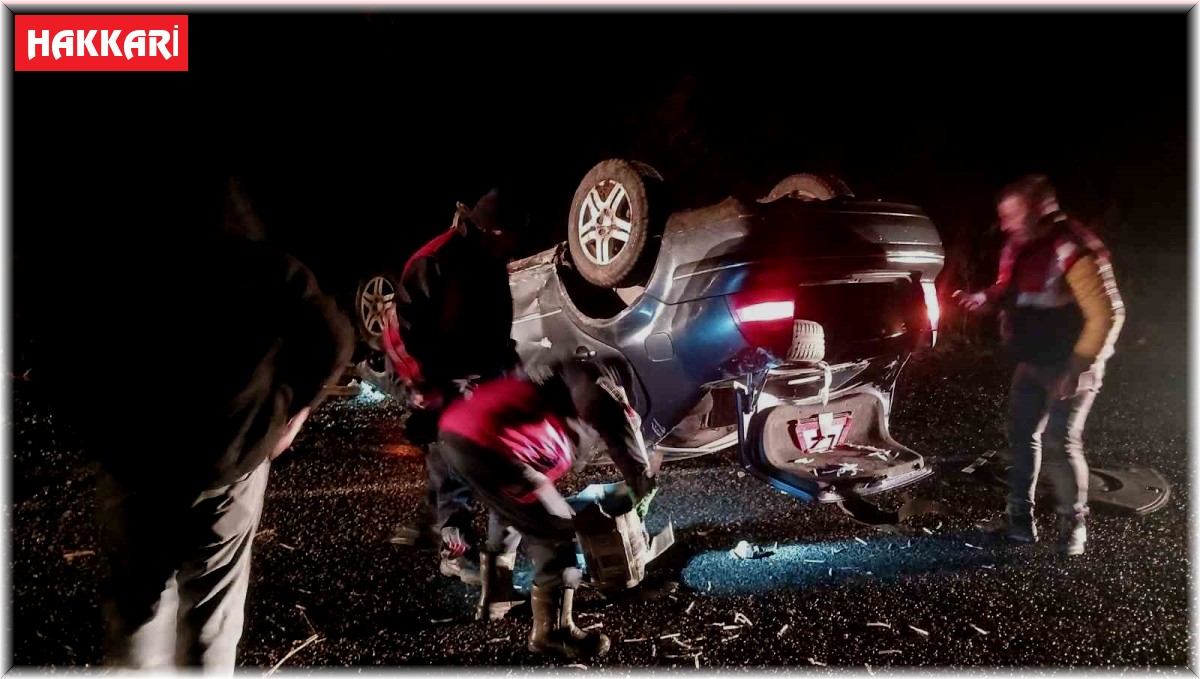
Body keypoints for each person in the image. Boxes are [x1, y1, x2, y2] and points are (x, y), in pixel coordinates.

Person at [34, 172, 354, 671]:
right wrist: (291, 412)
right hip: (230, 459)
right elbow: (334, 337)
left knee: (138, 606)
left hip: (134, 464)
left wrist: (95, 429)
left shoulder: (112, 264)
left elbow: (55, 353)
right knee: (211, 611)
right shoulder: (264, 267)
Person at [437, 357, 658, 659]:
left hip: (457, 433)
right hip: (492, 446)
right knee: (555, 527)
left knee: (510, 510)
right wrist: (640, 487)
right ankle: (553, 633)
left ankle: (496, 598)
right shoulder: (598, 391)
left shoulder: (558, 383)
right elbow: (621, 431)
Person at [955, 174, 1124, 555]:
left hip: (1067, 367)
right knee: (1021, 438)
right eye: (1003, 216)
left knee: (1060, 445)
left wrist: (1078, 367)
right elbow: (1009, 289)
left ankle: (1072, 530)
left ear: (1039, 210)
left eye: (1012, 215)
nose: (1005, 224)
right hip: (1031, 361)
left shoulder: (1073, 248)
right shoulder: (1020, 246)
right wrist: (984, 298)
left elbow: (1108, 314)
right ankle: (1019, 523)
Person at [384, 187, 526, 585]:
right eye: (511, 237)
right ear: (494, 231)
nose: (514, 246)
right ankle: (455, 550)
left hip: (484, 370)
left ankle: (461, 539)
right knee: (452, 464)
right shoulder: (435, 261)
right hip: (439, 374)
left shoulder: (492, 258)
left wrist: (509, 365)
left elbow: (496, 324)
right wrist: (420, 383)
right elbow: (398, 333)